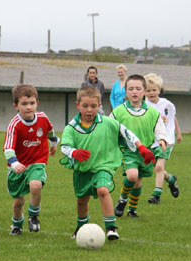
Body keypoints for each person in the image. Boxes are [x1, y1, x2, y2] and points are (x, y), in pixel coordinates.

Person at [60, 86, 154, 240]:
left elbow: (127, 133)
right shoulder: (72, 127)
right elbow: (64, 147)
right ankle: (81, 227)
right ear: (77, 105)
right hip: (83, 169)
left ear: (99, 105)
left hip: (104, 166)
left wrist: (141, 147)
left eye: (93, 106)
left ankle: (111, 228)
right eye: (85, 106)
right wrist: (74, 153)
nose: (89, 110)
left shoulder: (108, 122)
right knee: (82, 200)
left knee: (102, 190)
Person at [3, 84, 59, 235]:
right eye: (24, 104)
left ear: (37, 103)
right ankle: (16, 225)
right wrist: (15, 163)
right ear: (16, 106)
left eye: (32, 103)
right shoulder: (15, 124)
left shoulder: (42, 118)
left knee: (36, 185)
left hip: (37, 161)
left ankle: (33, 216)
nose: (29, 107)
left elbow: (50, 131)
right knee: (18, 202)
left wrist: (53, 143)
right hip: (18, 166)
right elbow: (8, 148)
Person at [111, 74, 169, 218]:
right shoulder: (118, 111)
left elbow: (159, 129)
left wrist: (161, 139)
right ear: (126, 91)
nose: (134, 92)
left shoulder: (152, 113)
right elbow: (109, 128)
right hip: (128, 150)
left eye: (138, 88)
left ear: (144, 91)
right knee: (132, 176)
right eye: (131, 89)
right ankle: (122, 200)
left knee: (137, 183)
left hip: (146, 152)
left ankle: (132, 210)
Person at [144, 73, 182, 204]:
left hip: (165, 140)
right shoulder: (143, 106)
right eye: (148, 90)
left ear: (159, 90)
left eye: (154, 90)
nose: (151, 93)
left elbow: (173, 118)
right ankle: (171, 179)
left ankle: (156, 196)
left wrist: (178, 133)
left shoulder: (167, 104)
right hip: (150, 141)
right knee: (157, 169)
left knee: (159, 167)